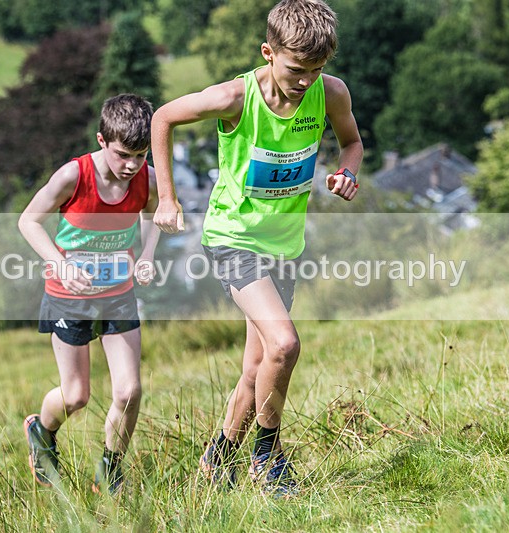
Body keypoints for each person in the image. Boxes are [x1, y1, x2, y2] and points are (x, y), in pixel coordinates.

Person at [151, 0, 362, 497]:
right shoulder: (234, 97)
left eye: (317, 69)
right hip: (233, 241)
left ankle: (217, 459)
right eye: (296, 68)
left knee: (258, 367)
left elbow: (352, 143)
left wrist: (348, 172)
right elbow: (162, 118)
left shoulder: (330, 93)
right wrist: (166, 196)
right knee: (285, 344)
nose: (307, 80)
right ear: (268, 52)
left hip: (285, 247)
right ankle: (268, 459)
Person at [18, 94, 160, 494]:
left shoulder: (146, 178)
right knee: (76, 395)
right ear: (102, 140)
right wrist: (60, 263)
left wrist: (147, 254)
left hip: (118, 293)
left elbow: (153, 213)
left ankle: (110, 472)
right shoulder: (73, 176)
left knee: (129, 391)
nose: (132, 164)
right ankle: (41, 431)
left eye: (141, 154)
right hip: (69, 297)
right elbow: (28, 221)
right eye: (123, 154)